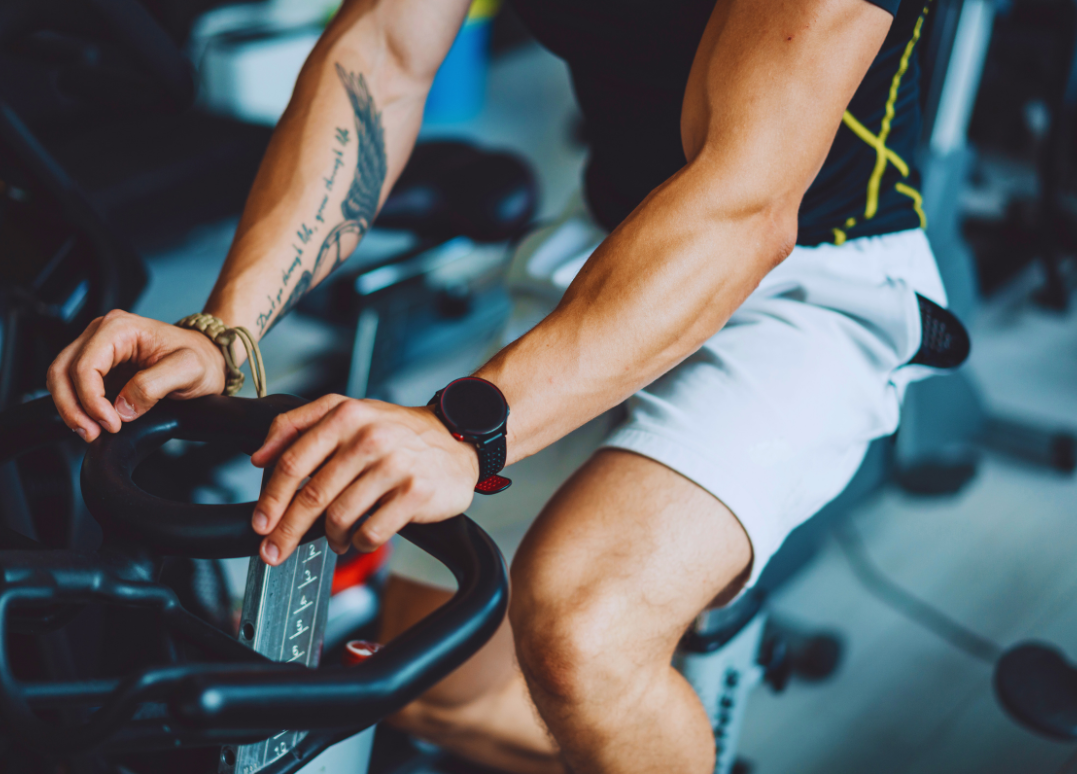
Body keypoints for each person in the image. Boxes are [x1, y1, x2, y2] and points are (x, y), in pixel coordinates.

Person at [46, 0, 949, 770]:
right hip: (607, 246)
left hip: (813, 277)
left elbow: (744, 205)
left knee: (581, 630)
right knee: (430, 687)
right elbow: (381, 56)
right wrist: (226, 329)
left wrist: (464, 429)